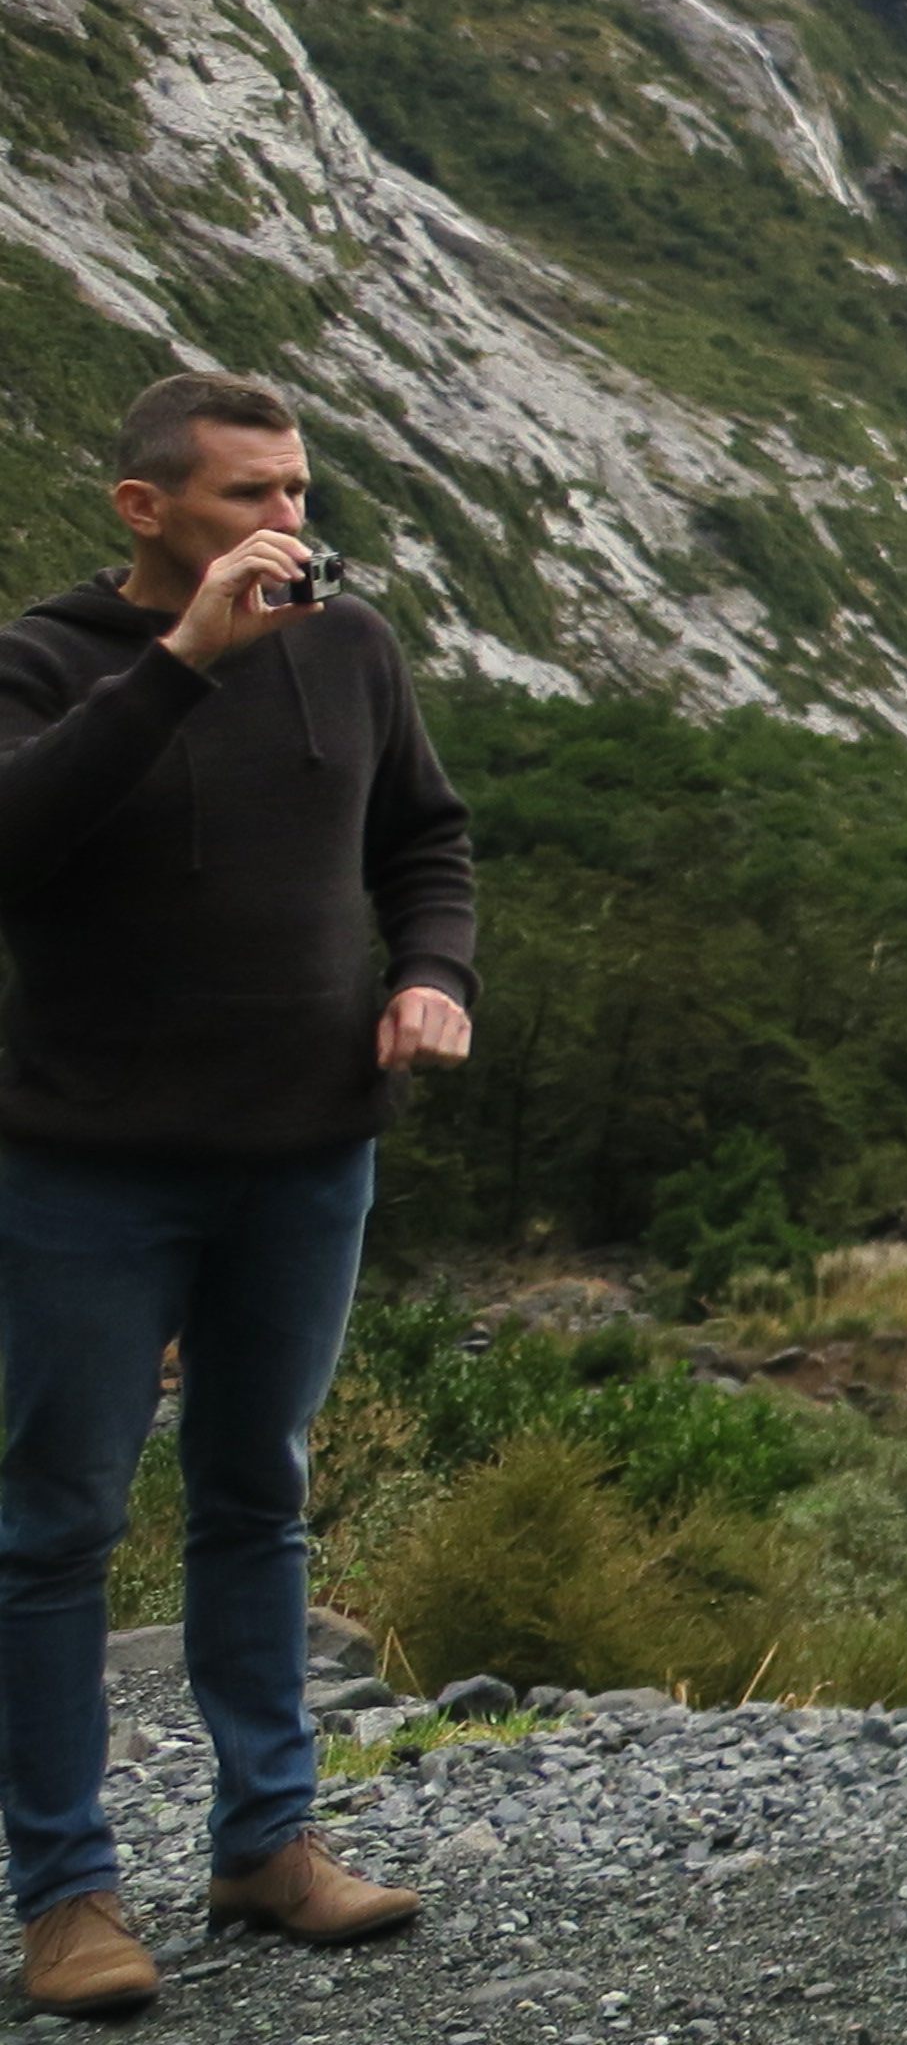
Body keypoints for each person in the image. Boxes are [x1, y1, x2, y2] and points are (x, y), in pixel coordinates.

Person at [0, 374, 474, 2016]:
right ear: (144, 509)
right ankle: (66, 1897)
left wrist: (433, 974)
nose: (287, 524)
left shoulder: (353, 646)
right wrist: (184, 661)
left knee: (258, 1494)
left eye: (298, 491)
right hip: (86, 1166)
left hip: (307, 1155)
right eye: (247, 497)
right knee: (57, 1525)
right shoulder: (44, 661)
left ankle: (268, 1843)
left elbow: (426, 841)